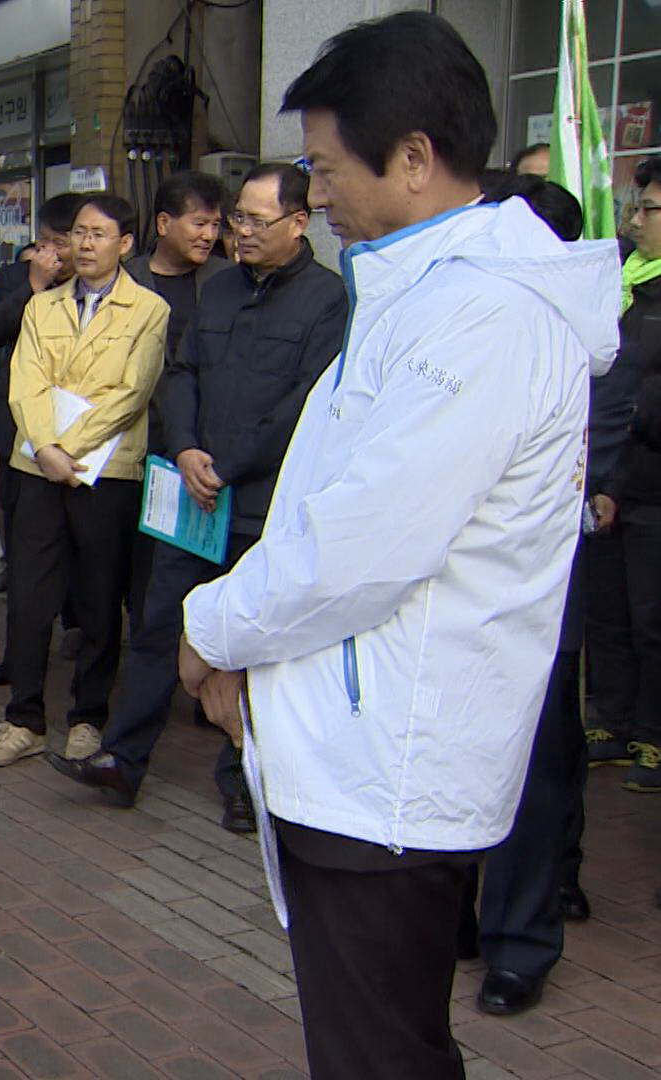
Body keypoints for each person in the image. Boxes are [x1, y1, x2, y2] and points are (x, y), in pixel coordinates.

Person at [178, 15, 617, 1078]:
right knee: (378, 1045)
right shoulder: (419, 292)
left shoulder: (479, 317)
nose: (315, 193)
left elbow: (361, 546)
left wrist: (210, 628)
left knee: (379, 1055)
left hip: (387, 767)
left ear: (413, 157)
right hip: (361, 750)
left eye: (326, 168)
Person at [50, 162, 347, 834]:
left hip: (261, 503)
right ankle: (122, 760)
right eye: (237, 218)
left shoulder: (327, 299)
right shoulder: (219, 289)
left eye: (256, 221)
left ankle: (245, 782)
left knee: (251, 650)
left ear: (299, 223)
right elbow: (180, 372)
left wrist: (229, 466)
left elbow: (304, 404)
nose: (240, 232)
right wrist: (184, 448)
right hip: (191, 495)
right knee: (159, 626)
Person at [458, 173, 618, 1017]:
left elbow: (609, 438)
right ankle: (454, 916)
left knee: (535, 762)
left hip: (546, 580)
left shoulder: (591, 335)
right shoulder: (463, 320)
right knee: (460, 746)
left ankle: (518, 943)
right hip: (461, 581)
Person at [0, 194, 168, 768]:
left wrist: (68, 450)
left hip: (105, 470)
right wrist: (46, 449)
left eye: (98, 234)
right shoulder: (43, 306)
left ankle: (88, 718)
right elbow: (25, 383)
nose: (84, 244)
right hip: (38, 467)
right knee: (30, 594)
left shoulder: (149, 310)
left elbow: (131, 393)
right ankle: (23, 719)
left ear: (125, 243)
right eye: (78, 233)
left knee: (99, 595)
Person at [0, 193, 85, 682]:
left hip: (79, 433)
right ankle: (18, 655)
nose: (51, 254)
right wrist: (34, 286)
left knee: (80, 543)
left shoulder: (101, 288)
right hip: (20, 431)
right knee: (24, 549)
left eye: (60, 244)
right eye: (43, 243)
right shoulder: (17, 277)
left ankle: (78, 626)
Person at [600, 155, 661, 794]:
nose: (634, 221)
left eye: (648, 209)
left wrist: (635, 412)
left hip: (652, 481)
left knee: (652, 620)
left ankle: (652, 733)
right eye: (633, 208)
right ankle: (612, 722)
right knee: (610, 615)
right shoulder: (623, 284)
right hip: (612, 478)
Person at [125, 170, 232, 366]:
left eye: (215, 225)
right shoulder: (126, 280)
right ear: (163, 223)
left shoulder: (228, 278)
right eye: (200, 224)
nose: (209, 235)